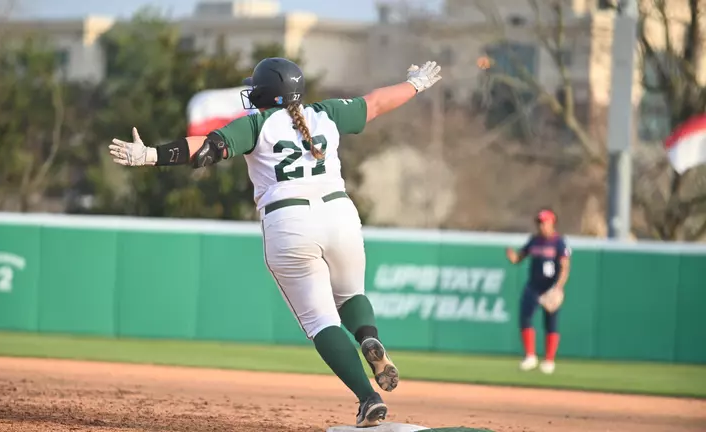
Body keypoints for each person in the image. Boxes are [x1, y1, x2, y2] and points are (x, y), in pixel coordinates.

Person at [108, 57, 442, 427]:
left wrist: (150, 155)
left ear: (266, 93)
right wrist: (416, 84)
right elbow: (377, 102)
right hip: (340, 213)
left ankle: (368, 398)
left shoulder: (258, 125)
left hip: (289, 221)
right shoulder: (326, 114)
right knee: (350, 296)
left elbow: (204, 148)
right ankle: (368, 338)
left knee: (320, 321)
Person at [506, 208, 571, 375]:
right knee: (525, 317)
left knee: (550, 323)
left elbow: (565, 267)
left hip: (550, 288)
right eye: (539, 222)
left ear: (552, 223)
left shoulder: (559, 242)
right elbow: (520, 258)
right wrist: (513, 257)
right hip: (533, 286)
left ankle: (549, 360)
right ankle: (530, 356)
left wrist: (558, 287)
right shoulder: (534, 241)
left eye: (544, 222)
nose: (541, 226)